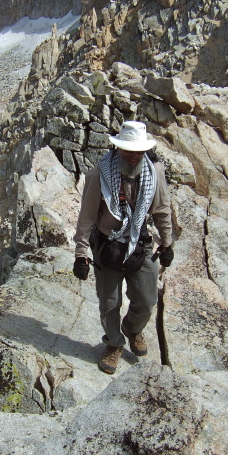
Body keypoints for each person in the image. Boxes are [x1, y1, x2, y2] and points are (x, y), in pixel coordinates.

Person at [73, 121, 174, 374]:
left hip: (140, 242)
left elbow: (161, 209)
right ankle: (114, 343)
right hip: (108, 245)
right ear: (118, 149)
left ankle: (132, 328)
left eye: (138, 151)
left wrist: (168, 242)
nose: (133, 156)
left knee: (147, 300)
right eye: (128, 150)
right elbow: (86, 216)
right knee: (109, 303)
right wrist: (80, 254)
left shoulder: (155, 173)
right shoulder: (99, 174)